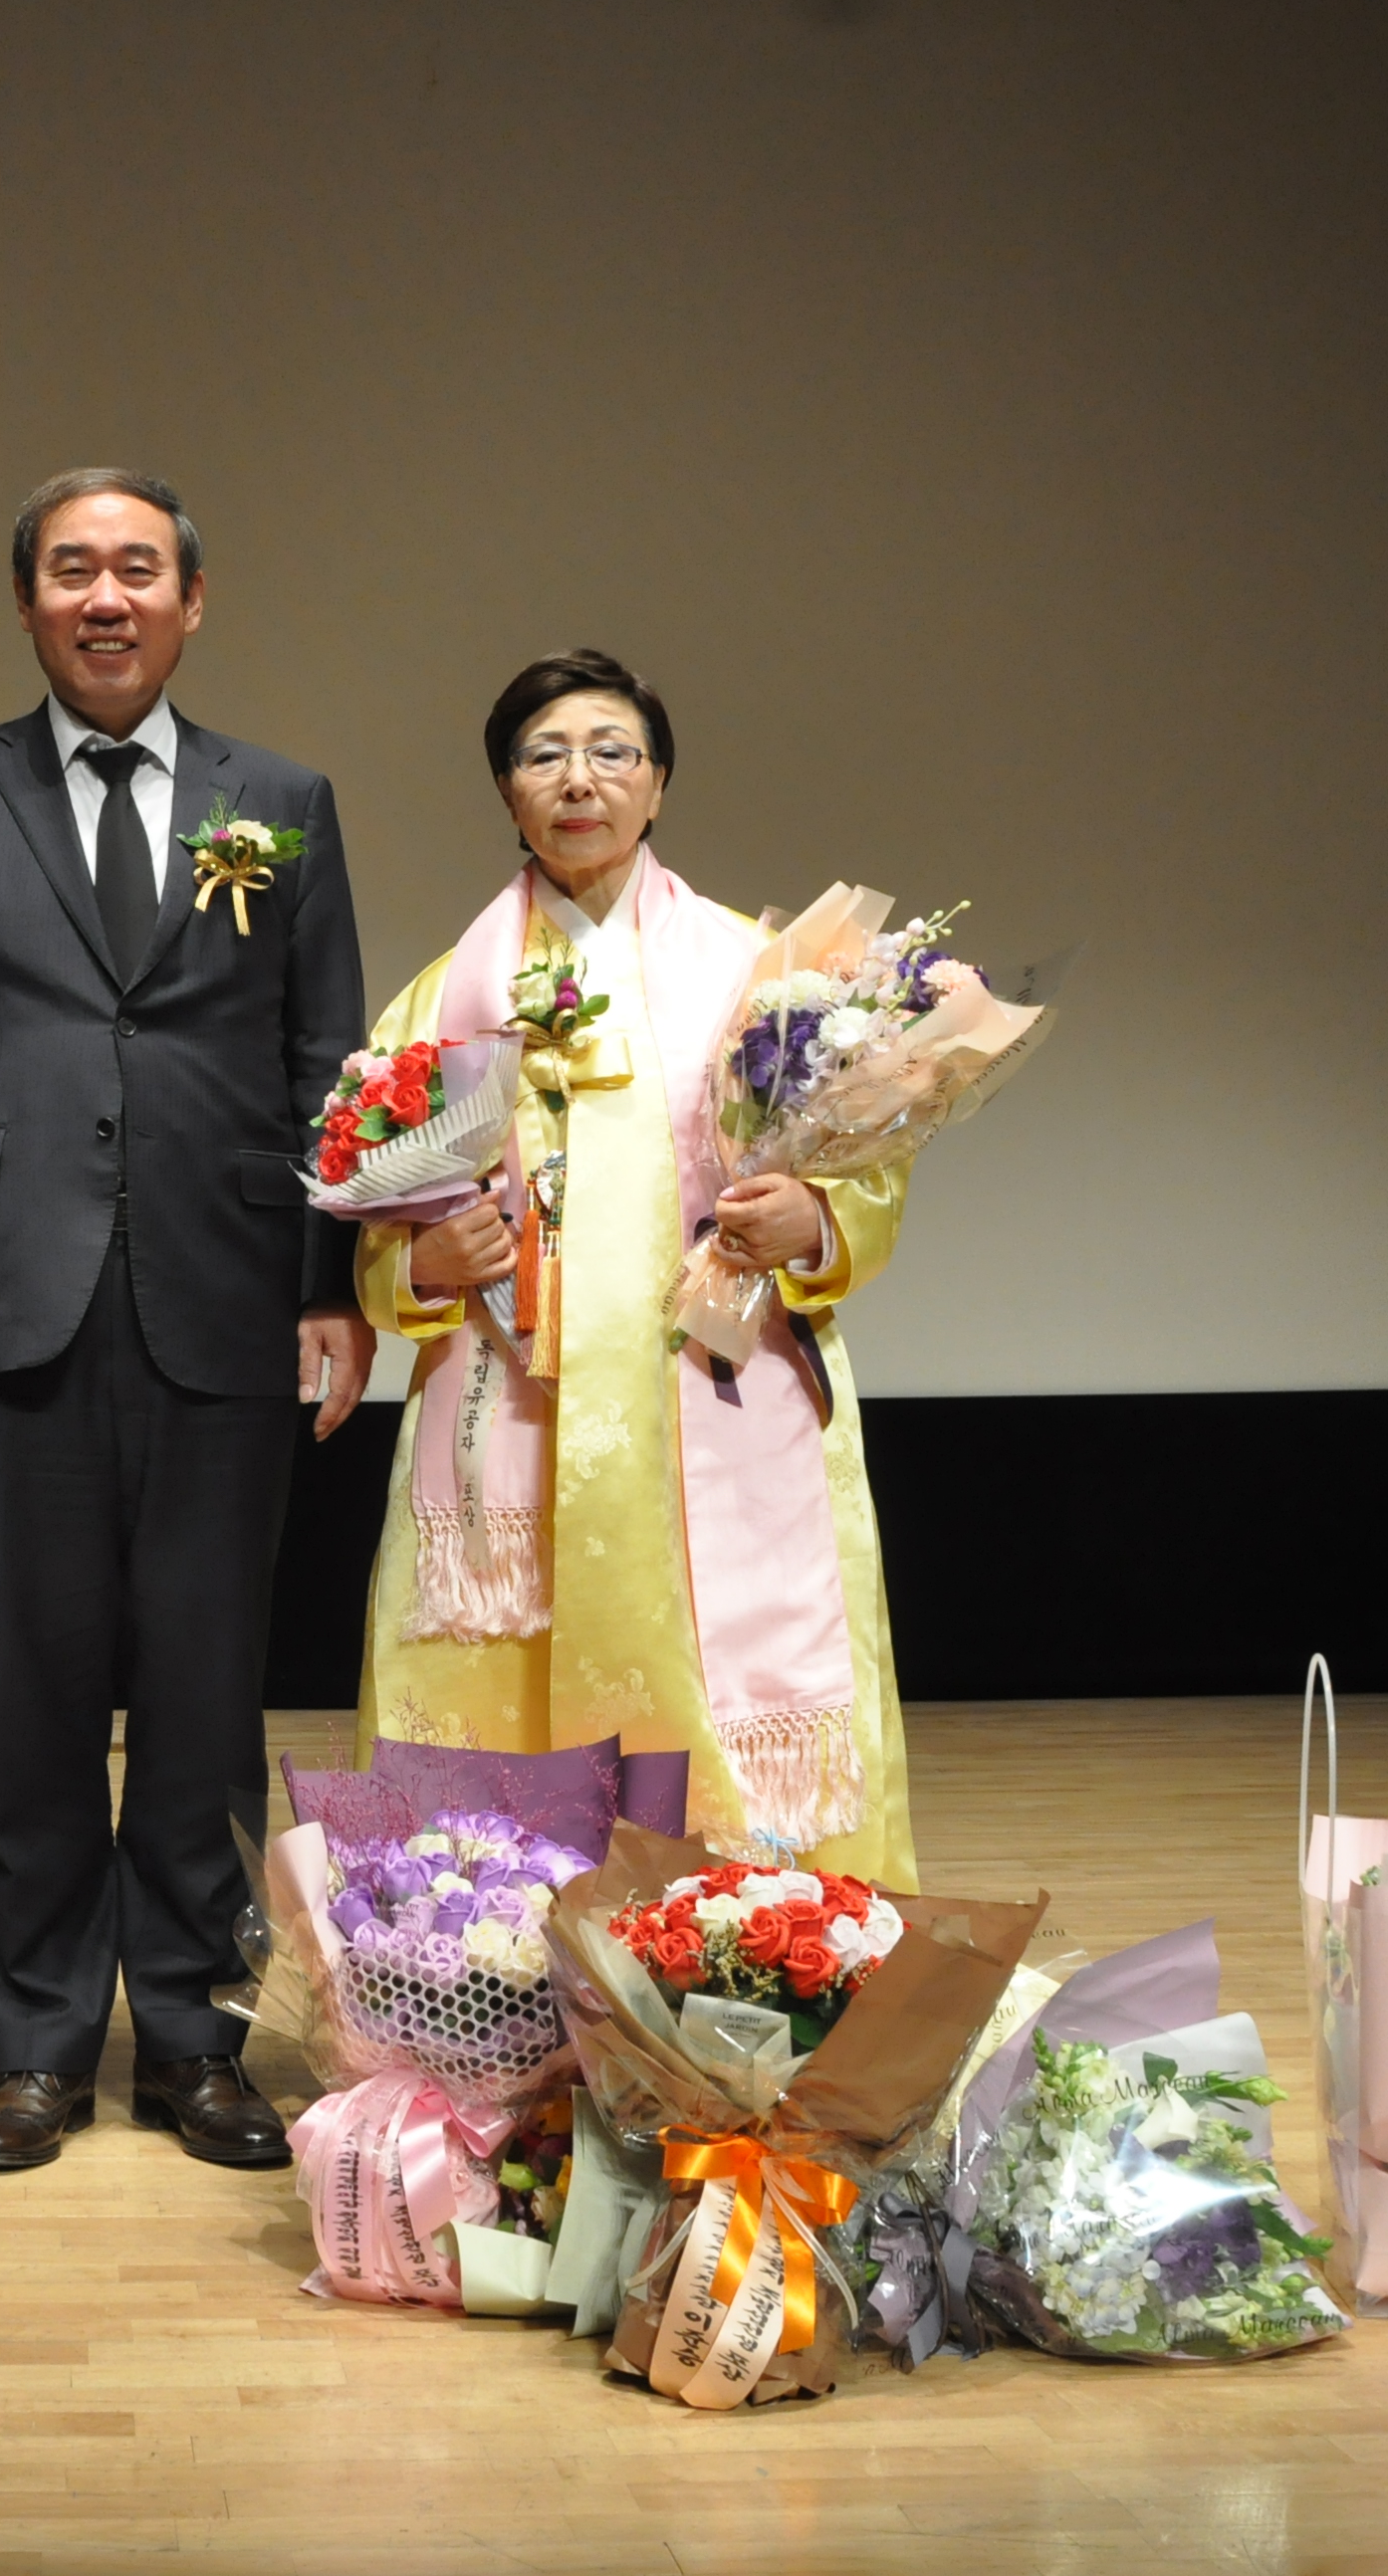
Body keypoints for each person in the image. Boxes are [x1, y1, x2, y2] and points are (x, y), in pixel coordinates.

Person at [0, 469, 374, 2172]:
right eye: (70, 568)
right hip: (8, 1298)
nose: (103, 595)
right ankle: (38, 2045)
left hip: (222, 1298)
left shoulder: (277, 798)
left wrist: (328, 1284)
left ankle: (200, 2042)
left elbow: (325, 1065)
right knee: (31, 1689)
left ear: (189, 599)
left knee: (209, 1693)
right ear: (26, 602)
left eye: (135, 567)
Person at [348, 651, 916, 1882]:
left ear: (657, 786)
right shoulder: (444, 998)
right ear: (506, 792)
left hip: (707, 1398)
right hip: (517, 1413)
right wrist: (425, 1262)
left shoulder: (764, 976)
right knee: (497, 1707)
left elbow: (868, 1174)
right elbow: (376, 1230)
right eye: (544, 754)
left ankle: (751, 1975)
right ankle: (485, 1975)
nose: (579, 779)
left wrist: (809, 1220)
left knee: (719, 1687)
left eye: (612, 751)